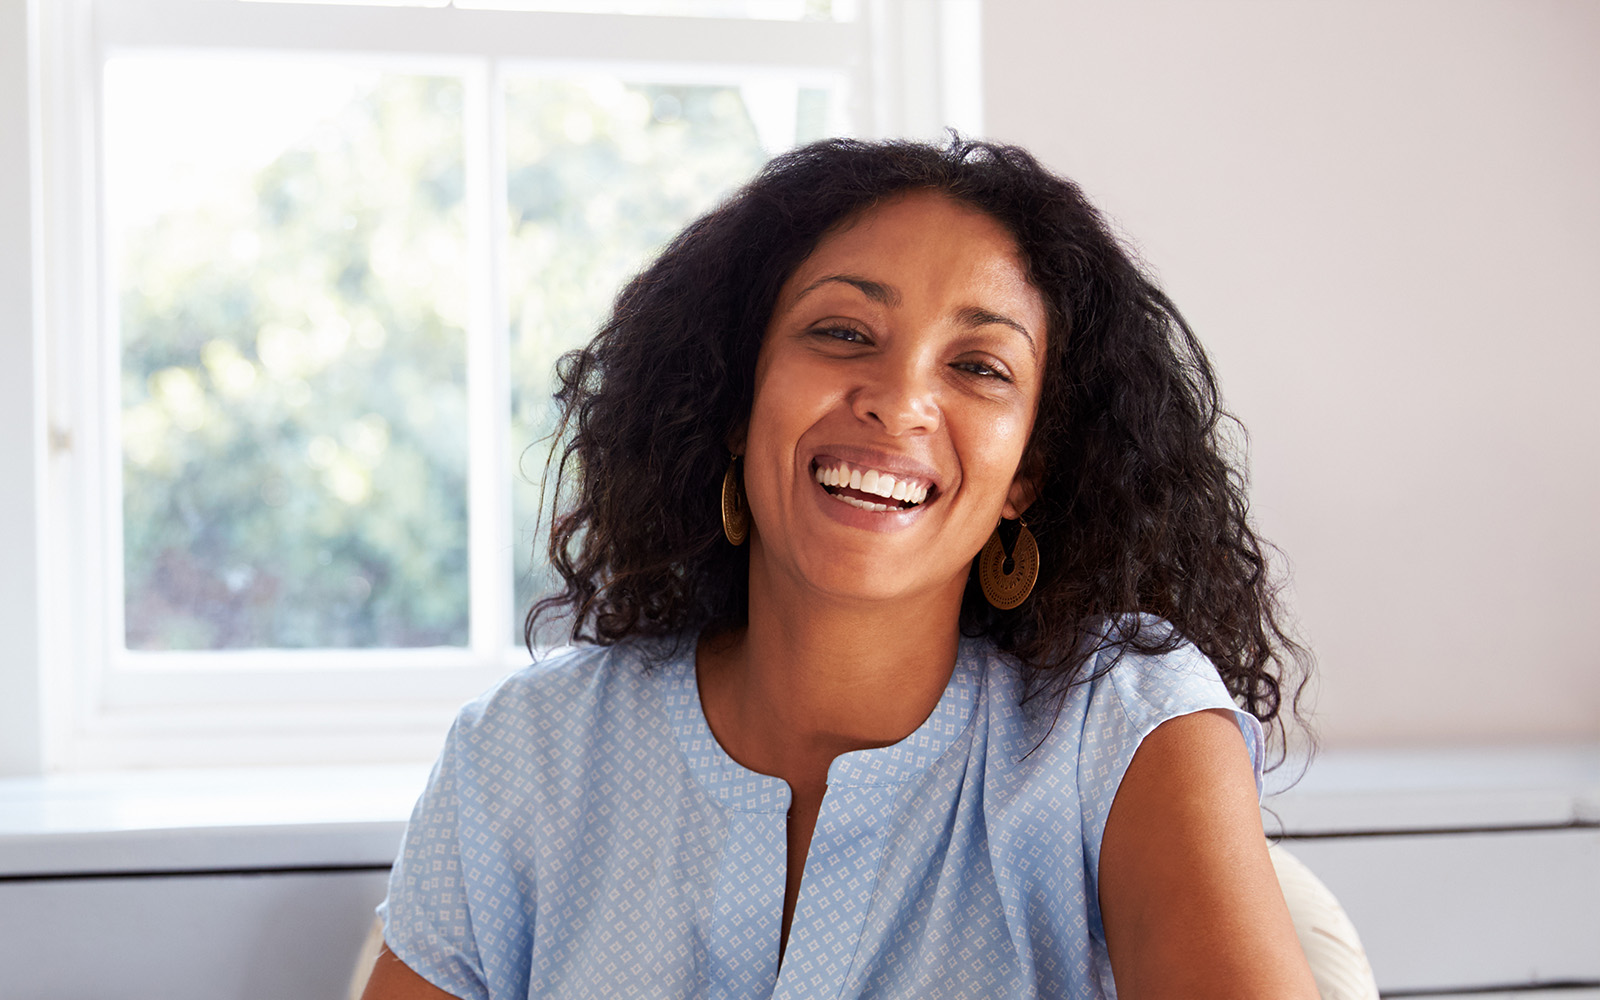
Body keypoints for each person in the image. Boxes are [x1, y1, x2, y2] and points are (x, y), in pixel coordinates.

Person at [362, 136, 1317, 999]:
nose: (898, 402)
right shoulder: (521, 757)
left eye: (981, 366)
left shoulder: (1125, 729)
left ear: (1028, 469)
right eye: (844, 333)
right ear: (735, 402)